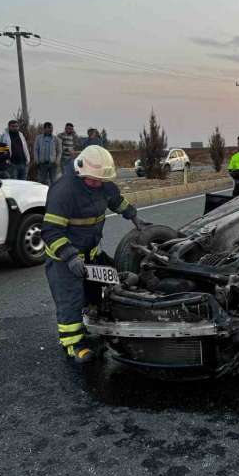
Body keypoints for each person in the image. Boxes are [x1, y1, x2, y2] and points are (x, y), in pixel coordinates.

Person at [42, 146, 151, 363]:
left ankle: (90, 327)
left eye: (101, 180)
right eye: (94, 180)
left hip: (88, 253)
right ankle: (73, 344)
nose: (98, 183)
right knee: (70, 300)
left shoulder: (102, 182)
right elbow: (51, 231)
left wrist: (133, 216)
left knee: (92, 295)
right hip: (64, 258)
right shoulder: (63, 191)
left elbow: (116, 200)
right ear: (81, 171)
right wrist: (69, 255)